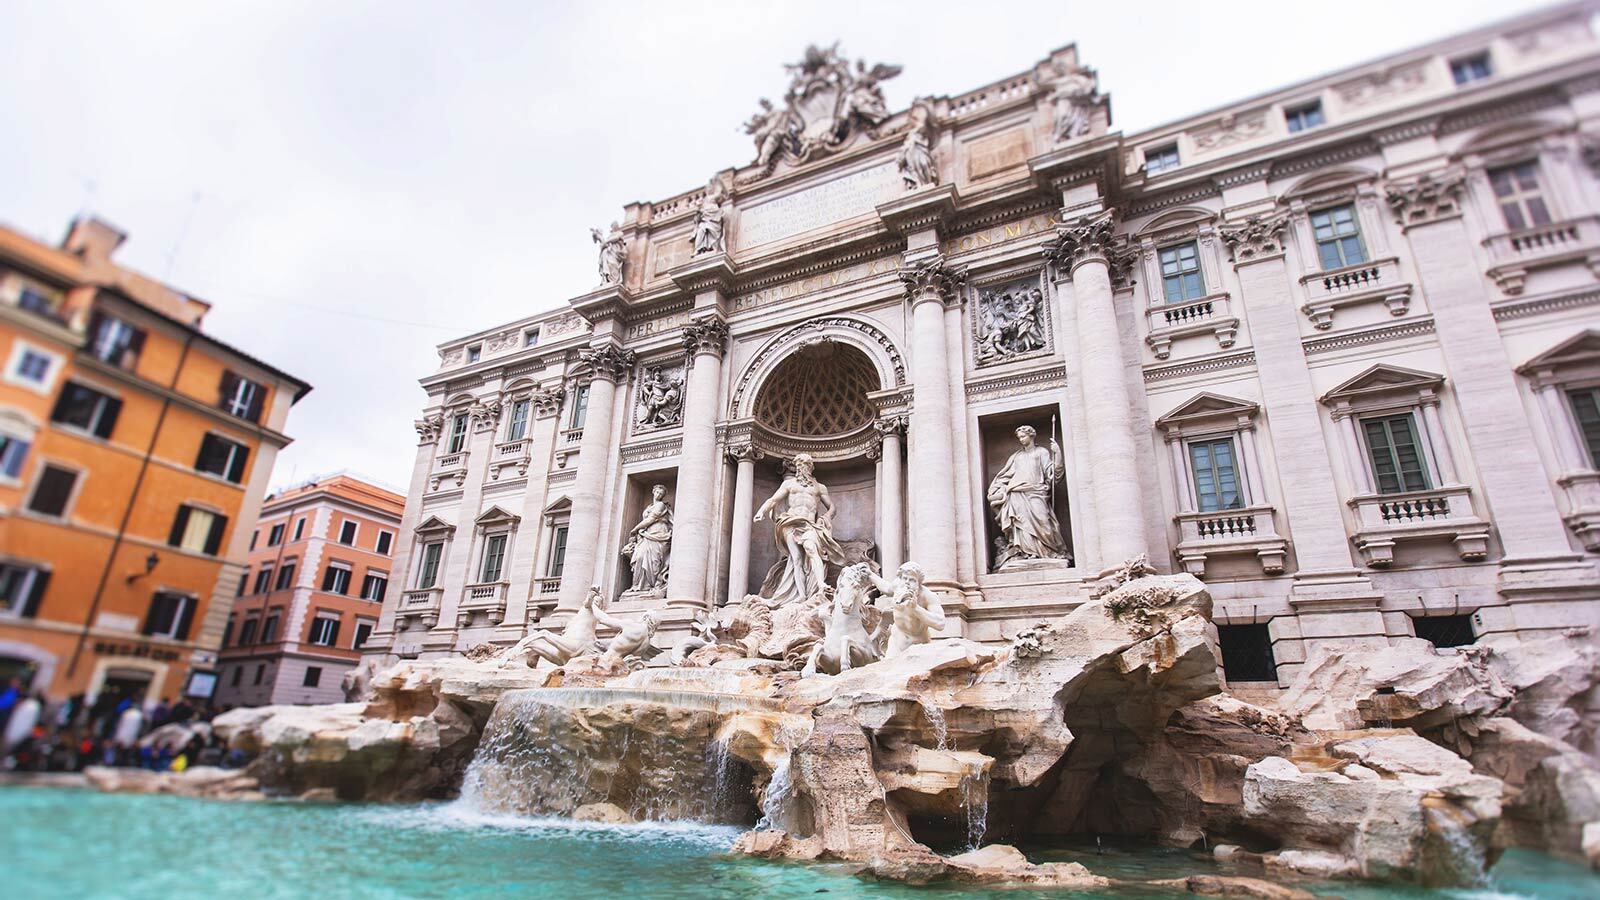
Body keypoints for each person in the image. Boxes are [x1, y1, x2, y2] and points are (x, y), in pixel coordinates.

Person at [754, 453, 849, 604]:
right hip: (790, 522)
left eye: (804, 465)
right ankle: (802, 596)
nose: (801, 468)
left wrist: (826, 517)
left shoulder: (819, 487)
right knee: (796, 559)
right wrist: (761, 511)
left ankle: (820, 585)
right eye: (799, 465)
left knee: (812, 548)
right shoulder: (789, 484)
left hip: (809, 524)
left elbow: (832, 507)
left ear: (810, 467)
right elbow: (773, 500)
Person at [987, 425, 1071, 569]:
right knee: (1021, 525)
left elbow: (1053, 475)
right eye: (1019, 437)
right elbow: (1005, 476)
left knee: (1044, 522)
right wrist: (998, 490)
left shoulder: (1041, 452)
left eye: (1023, 436)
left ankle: (1048, 552)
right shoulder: (1017, 457)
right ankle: (1025, 553)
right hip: (1016, 494)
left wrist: (1058, 455)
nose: (1021, 439)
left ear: (1031, 435)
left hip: (1036, 492)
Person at [622, 485, 673, 593]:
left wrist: (636, 528)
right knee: (640, 556)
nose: (659, 495)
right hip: (647, 535)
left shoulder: (661, 505)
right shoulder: (649, 507)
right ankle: (637, 586)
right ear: (653, 492)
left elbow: (651, 519)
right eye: (657, 492)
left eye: (661, 494)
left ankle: (649, 586)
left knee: (654, 560)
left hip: (659, 534)